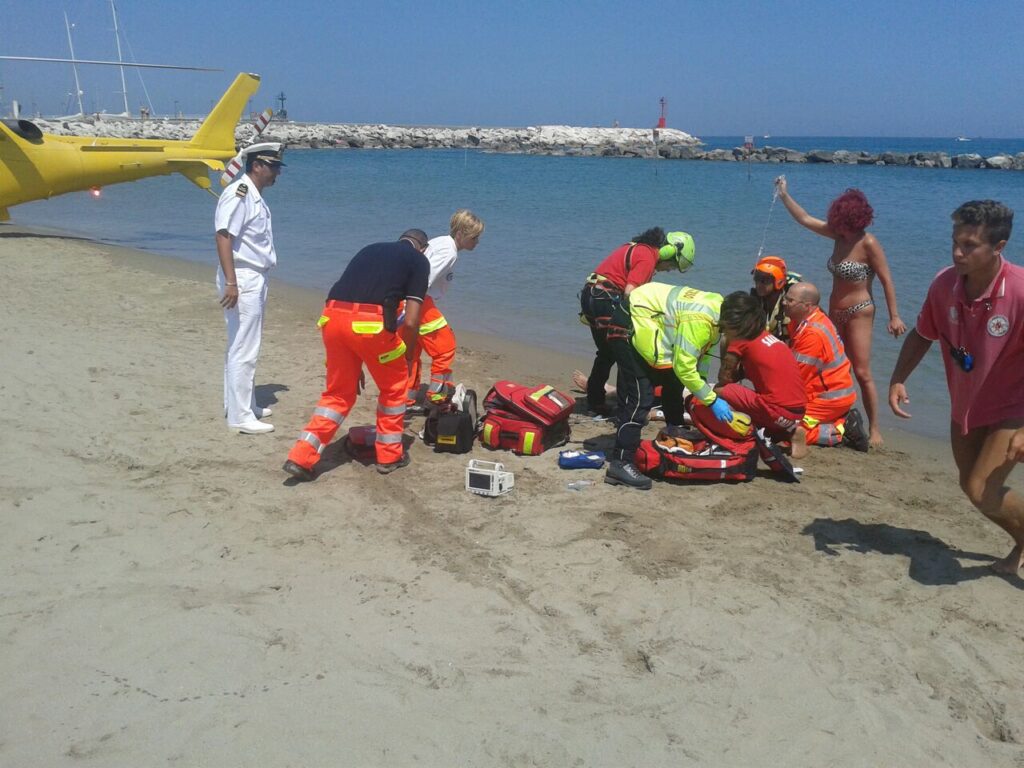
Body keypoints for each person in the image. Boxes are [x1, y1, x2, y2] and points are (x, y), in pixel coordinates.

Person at [889, 200, 1024, 574]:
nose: (957, 252)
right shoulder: (944, 283)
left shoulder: (1019, 291)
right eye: (955, 241)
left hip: (1013, 407)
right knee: (973, 489)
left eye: (969, 245)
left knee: (982, 489)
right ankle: (1020, 550)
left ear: (998, 247)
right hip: (965, 405)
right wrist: (899, 377)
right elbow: (922, 333)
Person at [283, 230, 430, 480]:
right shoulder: (419, 261)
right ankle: (389, 456)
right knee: (394, 389)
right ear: (423, 248)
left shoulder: (370, 248)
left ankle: (301, 456)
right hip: (370, 326)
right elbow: (413, 320)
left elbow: (351, 293)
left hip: (332, 317)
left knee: (337, 394)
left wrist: (356, 359)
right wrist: (407, 358)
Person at [775, 176, 906, 448]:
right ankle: (838, 415)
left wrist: (894, 316)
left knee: (861, 371)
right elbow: (805, 219)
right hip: (835, 311)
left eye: (844, 224)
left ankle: (875, 428)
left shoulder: (868, 242)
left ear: (855, 220)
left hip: (860, 311)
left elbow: (886, 279)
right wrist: (785, 194)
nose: (839, 228)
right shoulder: (837, 235)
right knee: (834, 368)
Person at [604, 282, 726, 490]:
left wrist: (701, 384)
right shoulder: (703, 320)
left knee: (673, 385)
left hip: (648, 322)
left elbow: (699, 357)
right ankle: (621, 463)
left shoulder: (717, 316)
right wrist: (711, 399)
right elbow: (685, 367)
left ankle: (675, 435)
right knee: (641, 397)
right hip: (628, 323)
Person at [579, 228, 695, 417]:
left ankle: (595, 401)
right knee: (628, 353)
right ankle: (625, 408)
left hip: (591, 296)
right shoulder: (648, 257)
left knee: (607, 354)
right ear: (669, 253)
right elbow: (630, 293)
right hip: (606, 299)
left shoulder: (636, 248)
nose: (668, 270)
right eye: (672, 266)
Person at [215, 142, 285, 434]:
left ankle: (242, 404)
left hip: (252, 275)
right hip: (242, 276)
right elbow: (223, 235)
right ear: (257, 165)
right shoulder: (239, 193)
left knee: (242, 343)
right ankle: (240, 417)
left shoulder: (253, 196)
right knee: (245, 346)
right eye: (273, 167)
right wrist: (231, 282)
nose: (276, 174)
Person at [692, 292, 806, 445]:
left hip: (777, 412)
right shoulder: (766, 336)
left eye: (723, 327)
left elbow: (724, 380)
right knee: (745, 397)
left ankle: (742, 430)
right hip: (797, 413)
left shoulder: (740, 339)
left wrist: (726, 346)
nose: (722, 330)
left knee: (716, 393)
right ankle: (788, 431)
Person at [405, 210, 485, 410]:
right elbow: (424, 279)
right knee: (445, 347)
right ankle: (436, 397)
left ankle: (406, 396)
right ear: (460, 234)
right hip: (420, 301)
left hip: (409, 299)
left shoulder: (440, 241)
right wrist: (413, 307)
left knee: (412, 349)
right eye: (474, 237)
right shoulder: (448, 252)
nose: (477, 242)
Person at [783, 282, 868, 458]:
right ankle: (836, 420)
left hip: (828, 399)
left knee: (785, 432)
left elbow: (794, 378)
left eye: (790, 300)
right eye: (785, 298)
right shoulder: (806, 321)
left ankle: (841, 431)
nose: (784, 302)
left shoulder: (812, 334)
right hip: (824, 390)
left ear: (806, 306)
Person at [750, 255, 801, 343]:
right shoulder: (756, 301)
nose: (758, 284)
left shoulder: (790, 306)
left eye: (764, 280)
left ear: (778, 281)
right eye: (756, 278)